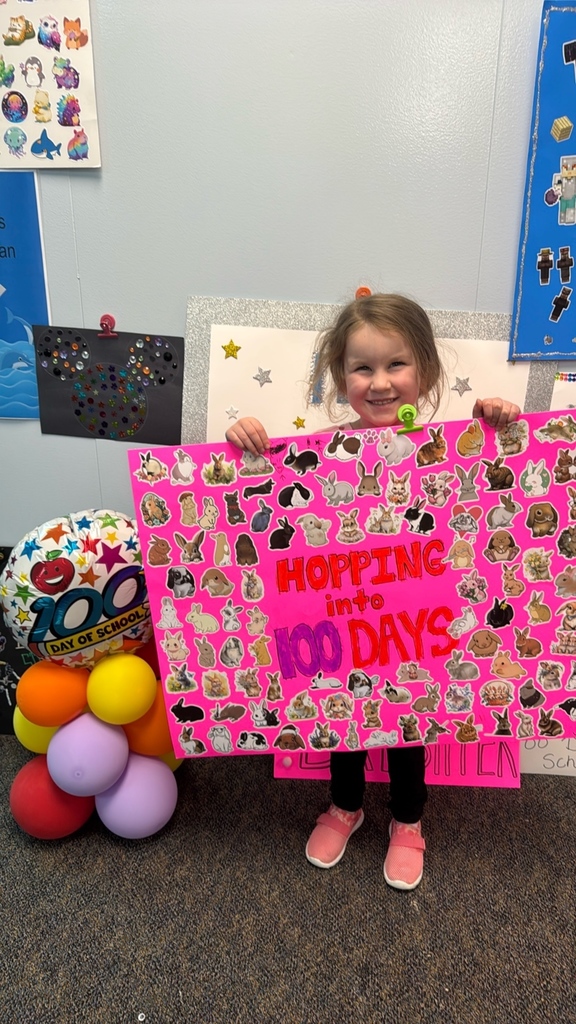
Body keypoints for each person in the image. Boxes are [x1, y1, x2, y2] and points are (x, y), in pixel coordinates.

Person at [226, 291, 520, 890]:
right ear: (340, 377)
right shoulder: (319, 459)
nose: (380, 382)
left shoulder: (443, 445)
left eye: (396, 364)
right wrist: (244, 437)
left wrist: (495, 420)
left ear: (427, 372)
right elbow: (279, 502)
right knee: (345, 722)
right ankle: (345, 806)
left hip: (419, 628)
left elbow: (479, 492)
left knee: (410, 728)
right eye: (363, 367)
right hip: (343, 625)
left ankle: (408, 820)